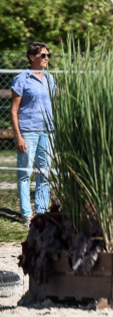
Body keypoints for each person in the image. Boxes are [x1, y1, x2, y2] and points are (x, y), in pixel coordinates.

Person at [11, 42, 56, 226]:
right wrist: (19, 136)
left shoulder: (49, 78)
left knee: (44, 173)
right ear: (32, 57)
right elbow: (13, 111)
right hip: (27, 131)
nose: (46, 59)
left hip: (47, 131)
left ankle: (42, 212)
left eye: (48, 55)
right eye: (43, 55)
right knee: (25, 173)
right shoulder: (21, 79)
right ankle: (26, 214)